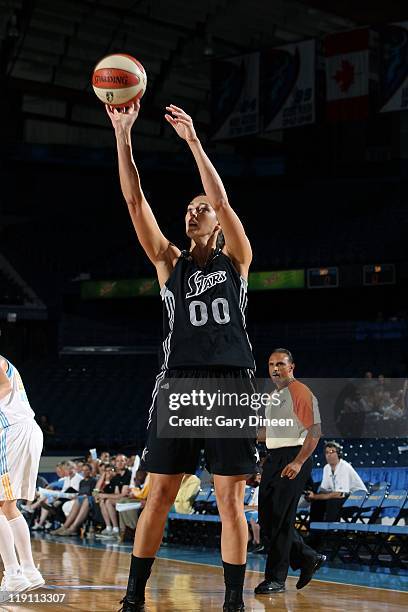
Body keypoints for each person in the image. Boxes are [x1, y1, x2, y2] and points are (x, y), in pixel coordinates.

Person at [106, 100, 257, 612]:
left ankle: (233, 603)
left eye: (202, 208)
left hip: (232, 383)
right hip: (180, 383)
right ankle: (132, 598)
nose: (193, 211)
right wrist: (123, 134)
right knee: (160, 494)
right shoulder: (169, 263)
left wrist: (193, 142)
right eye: (189, 209)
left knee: (230, 499)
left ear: (217, 220)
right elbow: (133, 201)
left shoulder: (237, 258)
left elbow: (223, 198)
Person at [255, 349, 325, 595]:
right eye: (271, 364)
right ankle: (307, 556)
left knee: (281, 520)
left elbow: (314, 431)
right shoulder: (273, 396)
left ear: (291, 367)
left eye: (281, 364)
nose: (275, 368)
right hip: (274, 459)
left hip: (294, 456)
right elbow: (267, 435)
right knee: (266, 519)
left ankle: (276, 578)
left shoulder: (300, 391)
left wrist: (298, 462)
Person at [0, 355, 45, 599]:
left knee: (2, 505)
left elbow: (4, 385)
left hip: (14, 431)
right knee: (8, 506)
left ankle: (14, 573)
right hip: (23, 430)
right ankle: (27, 570)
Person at [307, 441, 367, 523]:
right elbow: (324, 491)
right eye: (327, 452)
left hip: (357, 501)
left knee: (333, 501)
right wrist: (313, 497)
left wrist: (316, 496)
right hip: (344, 499)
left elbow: (340, 494)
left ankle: (331, 531)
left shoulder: (344, 467)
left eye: (332, 452)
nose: (329, 454)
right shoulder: (326, 468)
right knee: (317, 503)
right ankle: (315, 532)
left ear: (339, 454)